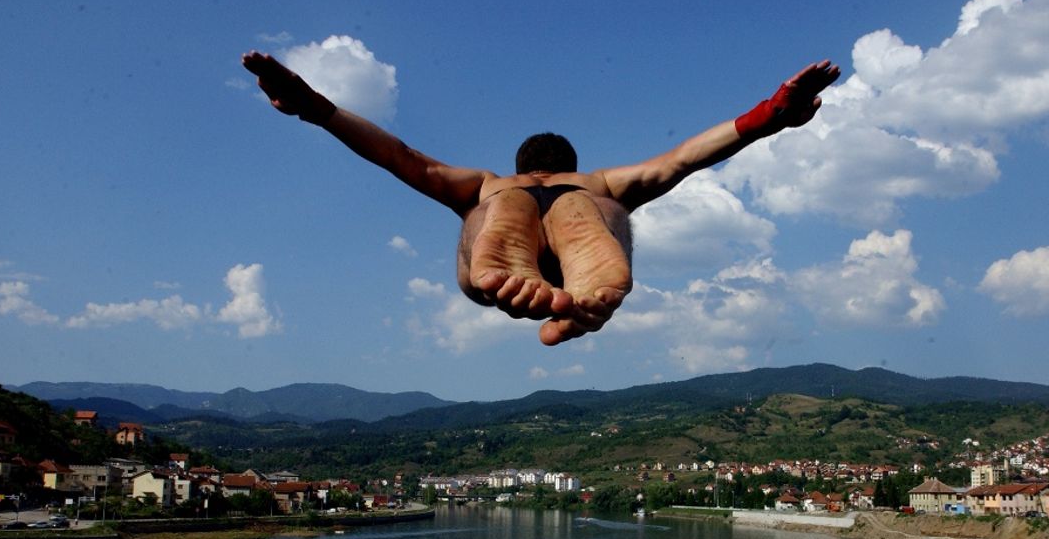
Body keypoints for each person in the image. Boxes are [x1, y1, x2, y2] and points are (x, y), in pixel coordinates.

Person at [242, 52, 839, 346]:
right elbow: (684, 156)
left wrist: (313, 106)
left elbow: (401, 157)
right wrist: (768, 116)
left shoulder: (488, 181)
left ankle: (516, 241)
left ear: (523, 164)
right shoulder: (598, 181)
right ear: (568, 164)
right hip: (587, 212)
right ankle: (575, 255)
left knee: (504, 216)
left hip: (500, 215)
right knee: (582, 224)